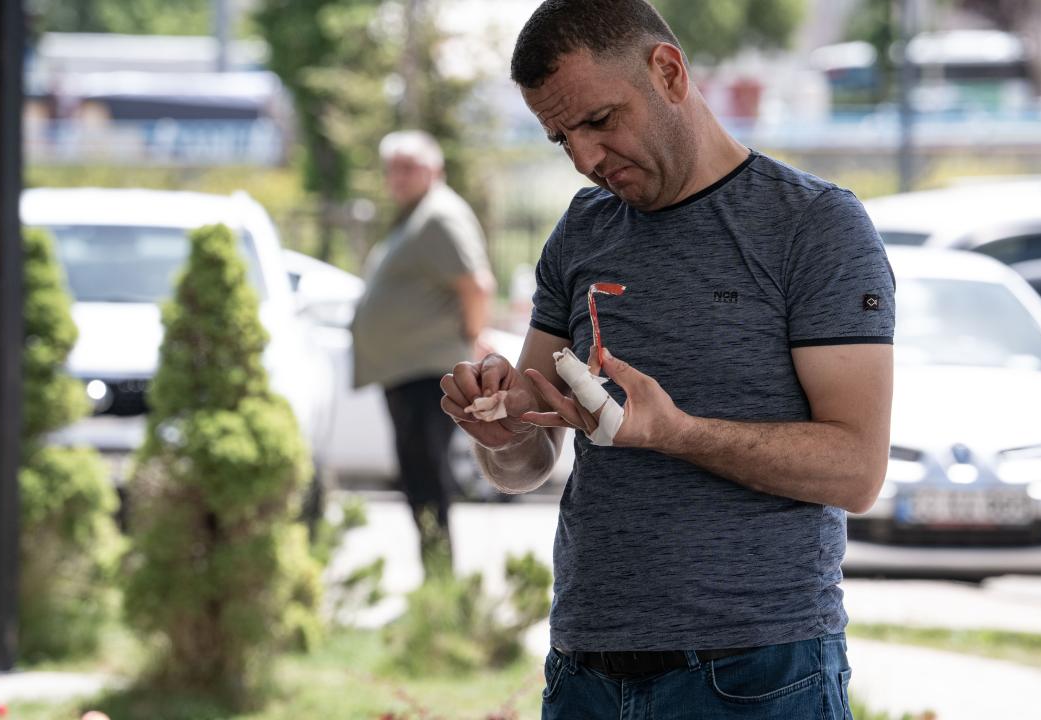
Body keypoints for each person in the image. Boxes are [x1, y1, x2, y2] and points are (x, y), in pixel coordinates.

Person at [440, 0, 895, 716]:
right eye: (561, 138)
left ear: (669, 72)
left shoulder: (814, 226)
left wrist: (677, 433)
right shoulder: (582, 231)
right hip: (585, 671)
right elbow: (527, 461)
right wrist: (503, 433)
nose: (586, 159)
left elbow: (857, 470)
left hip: (755, 675)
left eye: (599, 120)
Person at [352, 129, 494, 577]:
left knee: (427, 478)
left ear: (435, 169)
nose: (398, 177)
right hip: (408, 371)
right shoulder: (417, 216)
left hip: (428, 373)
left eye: (409, 167)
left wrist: (472, 338)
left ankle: (441, 585)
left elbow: (476, 286)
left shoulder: (439, 216)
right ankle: (436, 581)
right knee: (418, 478)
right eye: (392, 168)